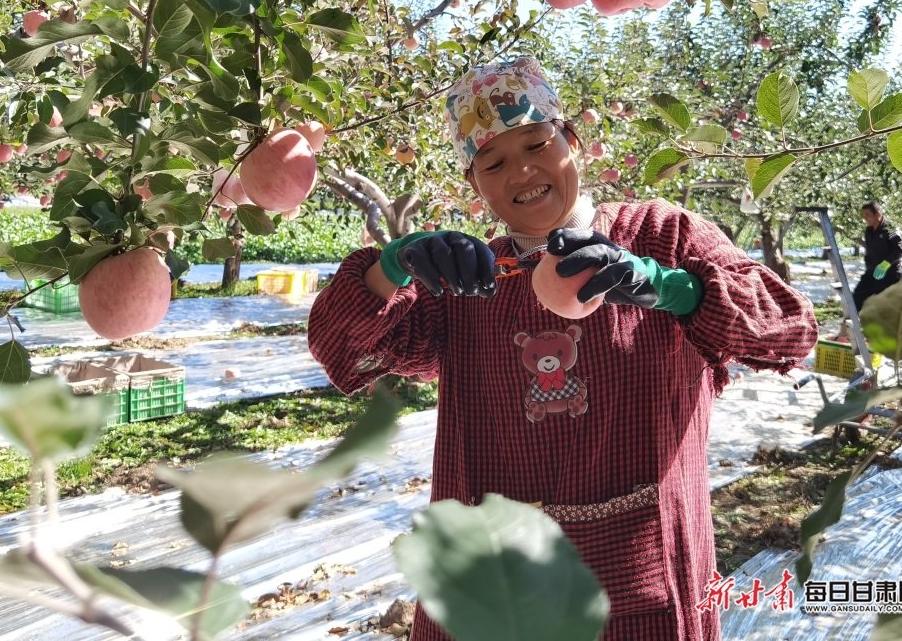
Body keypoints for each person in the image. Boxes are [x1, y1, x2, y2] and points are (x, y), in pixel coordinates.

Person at [307, 56, 818, 641]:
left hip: (634, 587)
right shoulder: (468, 277)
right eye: (494, 162)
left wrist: (670, 287)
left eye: (536, 144)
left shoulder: (659, 235)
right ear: (474, 184)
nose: (522, 171)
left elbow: (789, 329)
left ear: (572, 141)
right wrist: (391, 267)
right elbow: (340, 348)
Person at [852, 201, 902, 313]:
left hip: (889, 274)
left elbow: (900, 249)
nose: (865, 218)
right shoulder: (868, 230)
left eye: (868, 215)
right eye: (863, 215)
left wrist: (885, 264)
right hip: (872, 272)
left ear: (878, 214)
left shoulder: (891, 229)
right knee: (857, 298)